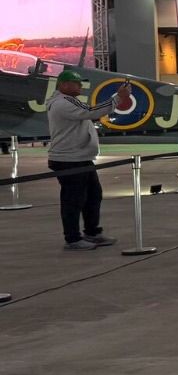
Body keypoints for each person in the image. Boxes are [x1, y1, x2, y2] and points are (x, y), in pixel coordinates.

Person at [47, 68, 128, 251]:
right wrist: (118, 98)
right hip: (70, 159)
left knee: (93, 195)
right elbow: (91, 112)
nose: (80, 86)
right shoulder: (63, 103)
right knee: (73, 200)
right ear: (64, 85)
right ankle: (73, 239)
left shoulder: (67, 101)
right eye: (76, 83)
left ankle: (92, 232)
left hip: (79, 157)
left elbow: (89, 113)